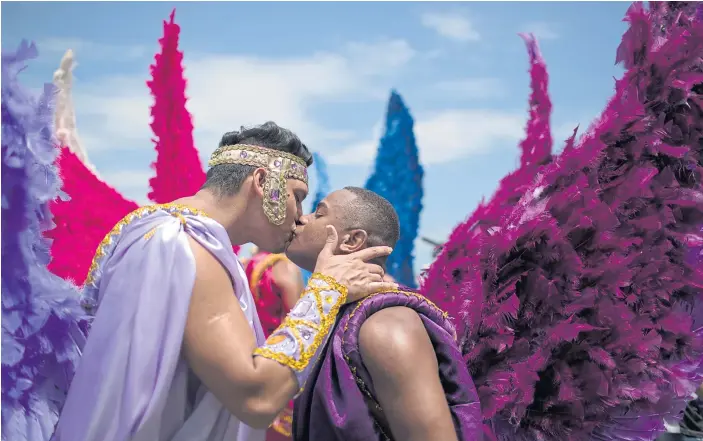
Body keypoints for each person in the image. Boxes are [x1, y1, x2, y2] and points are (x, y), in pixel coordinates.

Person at [53, 122, 396, 441]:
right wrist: (326, 291)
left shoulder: (160, 231)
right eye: (298, 196)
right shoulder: (182, 245)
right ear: (263, 183)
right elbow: (257, 397)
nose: (299, 216)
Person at [285, 187, 482, 441]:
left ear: (352, 241)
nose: (302, 218)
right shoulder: (336, 313)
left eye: (319, 213)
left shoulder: (387, 324)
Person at [241, 248, 305, 440]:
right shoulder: (284, 267)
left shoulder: (246, 263)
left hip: (255, 358)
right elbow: (300, 321)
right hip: (282, 361)